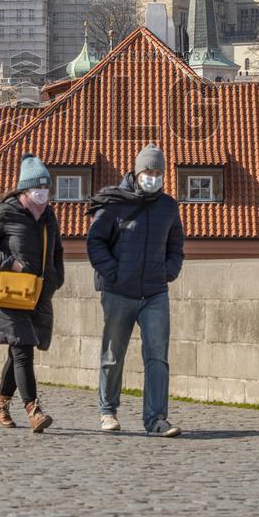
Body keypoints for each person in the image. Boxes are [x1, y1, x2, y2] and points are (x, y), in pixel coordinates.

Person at [87, 143, 184, 437]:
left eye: (158, 172)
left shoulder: (168, 207)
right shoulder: (115, 202)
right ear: (137, 171)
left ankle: (156, 419)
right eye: (149, 171)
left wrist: (168, 271)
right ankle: (108, 411)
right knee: (113, 354)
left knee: (157, 357)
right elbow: (95, 242)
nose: (153, 177)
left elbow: (176, 246)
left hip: (155, 293)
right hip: (119, 292)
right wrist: (114, 273)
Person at [0, 153, 64, 433]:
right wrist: (8, 262)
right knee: (23, 349)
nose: (43, 194)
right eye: (38, 188)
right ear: (24, 189)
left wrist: (56, 279)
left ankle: (0, 404)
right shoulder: (6, 211)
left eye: (46, 188)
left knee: (17, 352)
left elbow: (57, 250)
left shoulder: (48, 215)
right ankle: (33, 409)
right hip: (10, 293)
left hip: (38, 294)